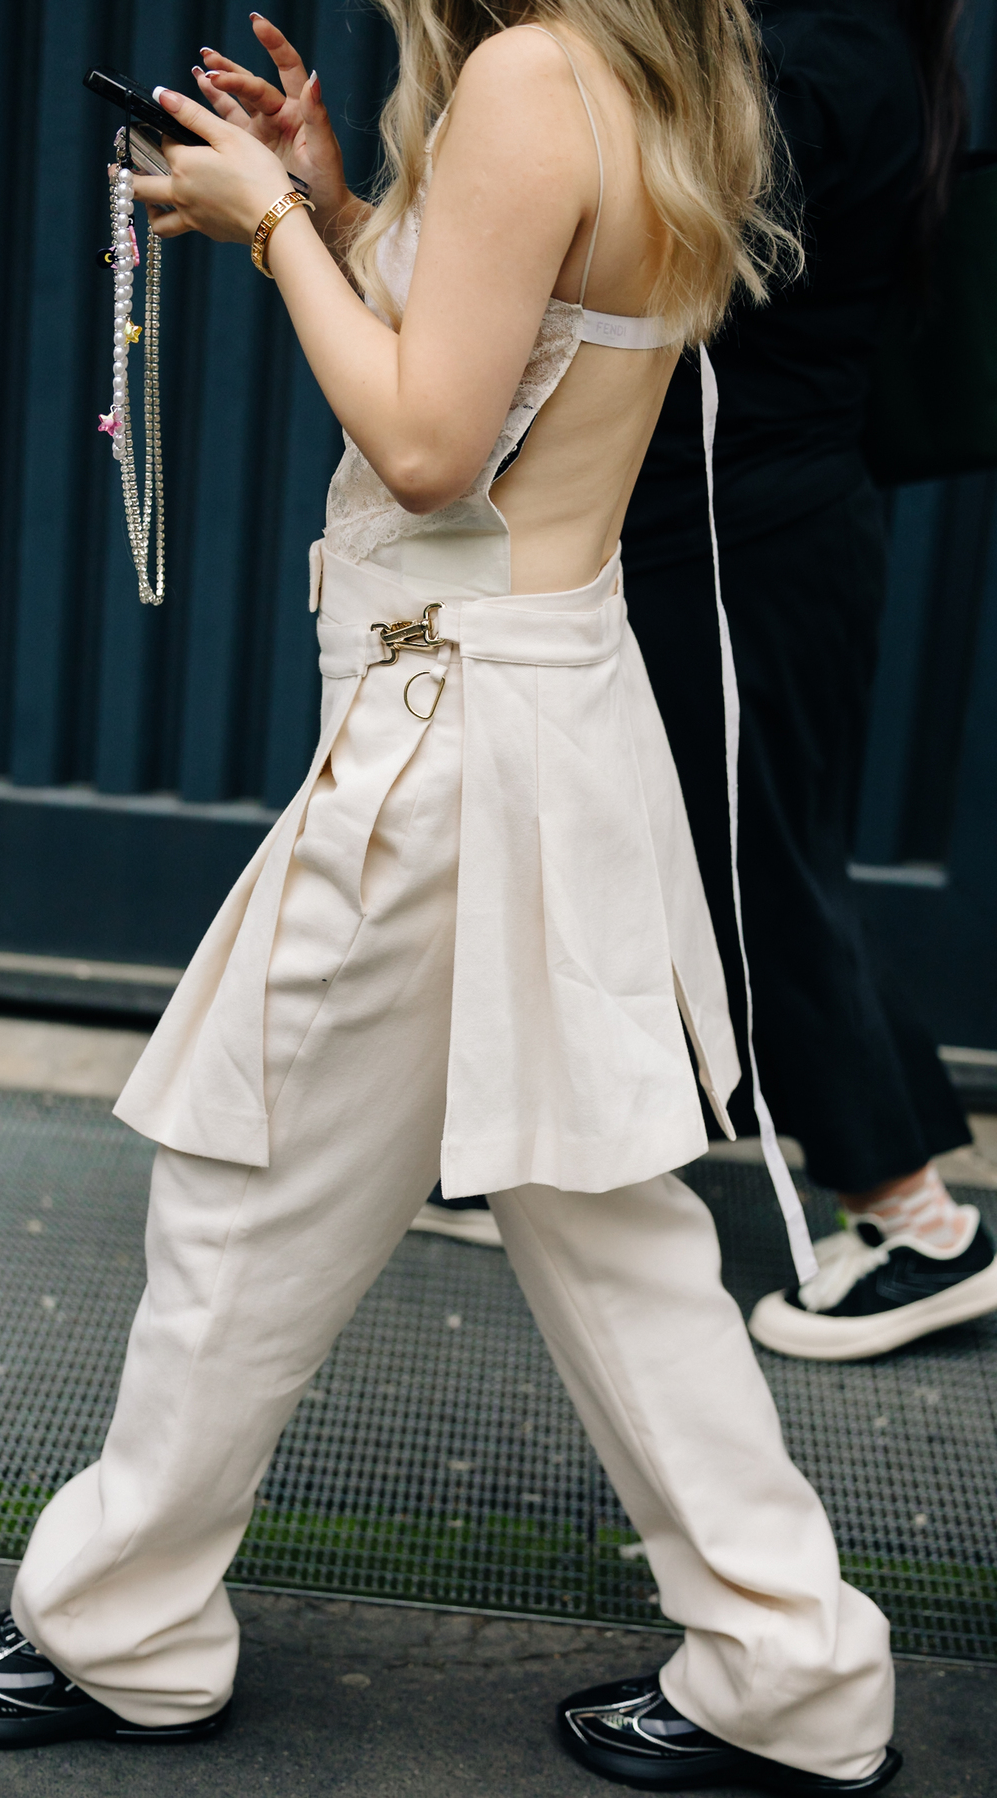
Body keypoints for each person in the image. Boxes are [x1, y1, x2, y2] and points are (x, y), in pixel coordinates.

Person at [0, 7, 899, 1790]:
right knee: (606, 1221)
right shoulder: (663, 64)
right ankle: (791, 1666)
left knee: (248, 1177)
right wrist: (350, 212)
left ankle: (124, 1629)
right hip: (544, 702)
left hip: (447, 728)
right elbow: (517, 362)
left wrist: (274, 221)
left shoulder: (523, 78)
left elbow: (432, 452)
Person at [619, 0, 997, 1362]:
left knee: (753, 871)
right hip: (763, 523)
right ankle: (491, 1151)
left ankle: (921, 1226)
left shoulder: (814, 48)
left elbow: (645, 255)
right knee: (719, 849)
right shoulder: (861, 32)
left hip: (733, 536)